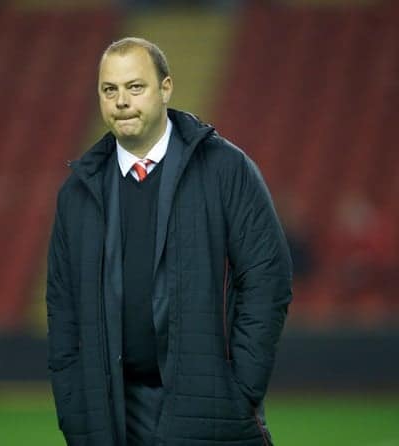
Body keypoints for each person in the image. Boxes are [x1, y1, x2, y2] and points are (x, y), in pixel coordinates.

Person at [46, 37, 293, 446]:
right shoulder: (77, 193)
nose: (121, 100)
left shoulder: (225, 169)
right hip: (111, 417)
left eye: (135, 87)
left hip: (210, 408)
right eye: (110, 90)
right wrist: (75, 407)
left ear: (165, 89)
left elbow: (268, 279)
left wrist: (241, 387)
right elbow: (62, 306)